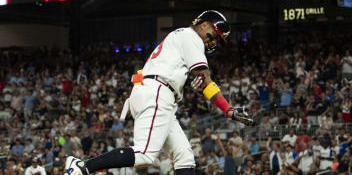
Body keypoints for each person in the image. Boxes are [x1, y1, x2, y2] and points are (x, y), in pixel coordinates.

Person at [64, 10, 255, 175]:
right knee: (145, 154)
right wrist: (228, 109)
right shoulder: (191, 37)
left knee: (184, 156)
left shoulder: (181, 37)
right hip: (158, 92)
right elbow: (205, 79)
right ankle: (82, 167)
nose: (213, 42)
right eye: (214, 35)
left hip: (155, 92)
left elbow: (199, 80)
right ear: (204, 24)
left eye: (217, 41)